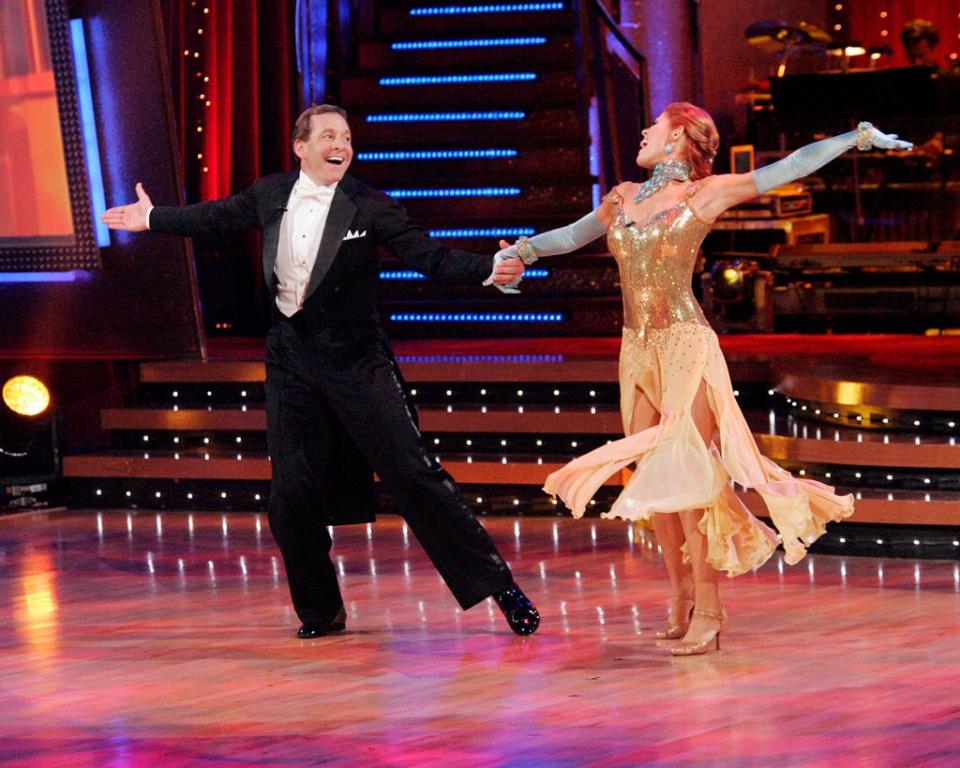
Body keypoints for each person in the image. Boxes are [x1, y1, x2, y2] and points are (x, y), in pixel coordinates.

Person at [101, 104, 540, 638]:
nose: (342, 145)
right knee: (290, 493)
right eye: (329, 136)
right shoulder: (270, 194)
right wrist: (151, 218)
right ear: (300, 146)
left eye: (348, 138)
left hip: (356, 359)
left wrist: (488, 269)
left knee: (414, 475)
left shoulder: (368, 205)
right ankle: (320, 610)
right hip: (291, 359)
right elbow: (215, 217)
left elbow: (428, 255)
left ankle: (501, 587)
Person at [495, 103, 912, 655]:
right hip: (636, 350)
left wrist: (853, 137)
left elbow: (786, 168)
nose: (642, 131)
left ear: (678, 139)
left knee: (690, 481)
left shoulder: (705, 194)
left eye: (654, 126)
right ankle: (681, 594)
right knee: (654, 487)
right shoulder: (622, 196)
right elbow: (570, 237)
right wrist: (521, 253)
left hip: (686, 346)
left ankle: (711, 610)